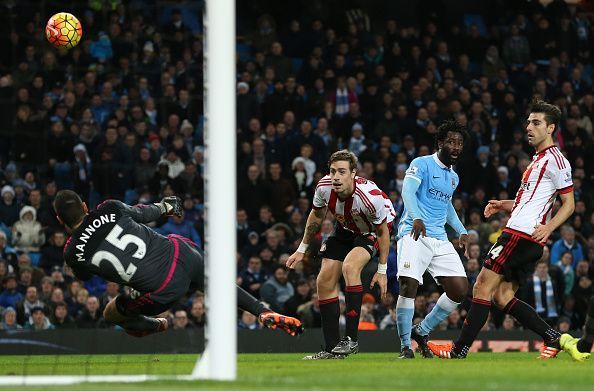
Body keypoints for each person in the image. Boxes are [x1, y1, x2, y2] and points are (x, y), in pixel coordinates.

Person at [428, 99, 575, 359]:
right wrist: (503, 205)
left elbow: (569, 204)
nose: (529, 126)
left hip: (520, 235)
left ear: (551, 128)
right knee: (503, 297)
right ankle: (552, 337)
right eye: (528, 121)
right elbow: (529, 201)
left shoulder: (556, 160)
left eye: (536, 122)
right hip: (523, 233)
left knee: (481, 287)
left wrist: (549, 227)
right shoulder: (538, 160)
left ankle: (458, 350)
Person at [54, 190, 303, 338]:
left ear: (59, 219)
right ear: (85, 206)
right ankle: (263, 311)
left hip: (163, 287)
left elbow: (84, 277)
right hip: (182, 252)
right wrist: (166, 206)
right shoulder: (109, 208)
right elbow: (146, 213)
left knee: (111, 311)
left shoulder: (73, 252)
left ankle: (155, 325)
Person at [286, 149, 395, 359]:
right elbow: (316, 217)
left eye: (342, 172)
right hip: (345, 229)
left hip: (372, 230)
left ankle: (351, 340)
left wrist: (382, 270)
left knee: (350, 266)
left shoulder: (369, 198)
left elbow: (382, 232)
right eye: (333, 171)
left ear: (353, 173)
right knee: (324, 280)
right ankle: (331, 349)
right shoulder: (324, 187)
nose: (336, 177)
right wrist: (302, 249)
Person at [395, 120, 470, 359]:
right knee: (409, 285)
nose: (456, 147)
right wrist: (416, 217)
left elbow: (446, 206)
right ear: (440, 143)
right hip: (413, 233)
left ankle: (422, 330)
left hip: (438, 237)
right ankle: (406, 346)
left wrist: (461, 230)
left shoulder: (453, 178)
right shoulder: (422, 164)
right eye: (451, 142)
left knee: (459, 290)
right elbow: (407, 192)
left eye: (459, 143)